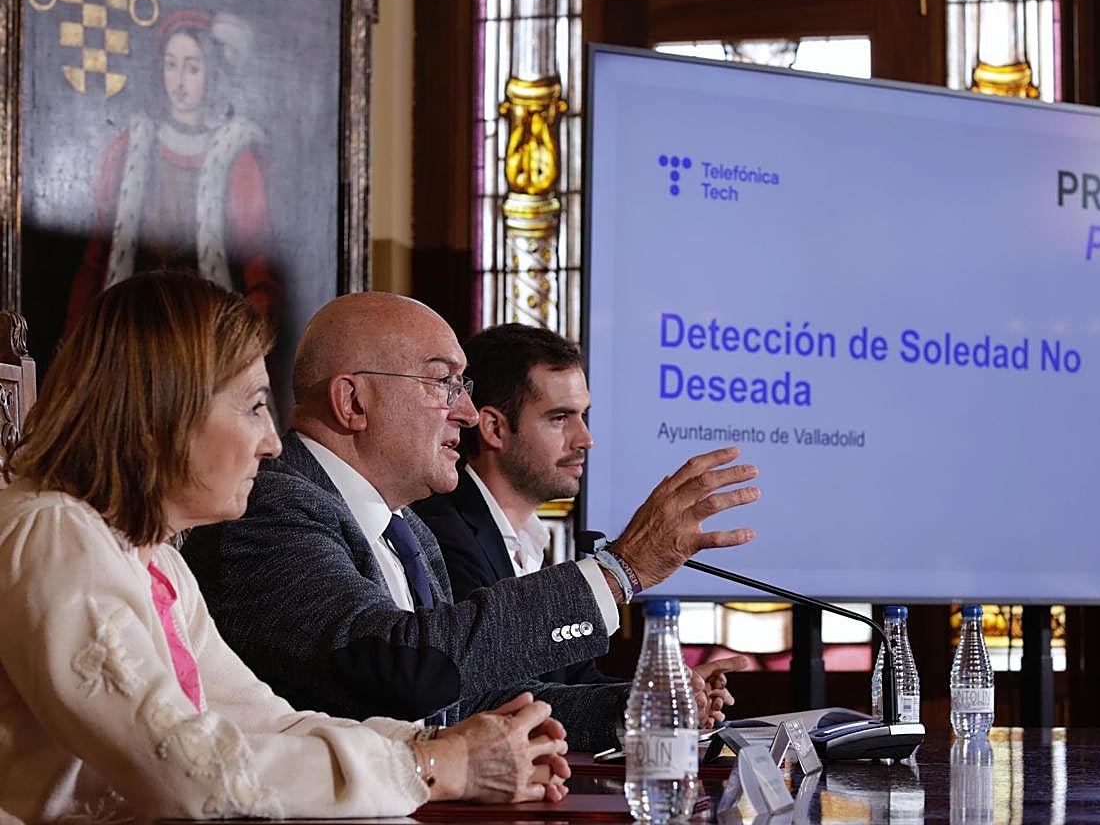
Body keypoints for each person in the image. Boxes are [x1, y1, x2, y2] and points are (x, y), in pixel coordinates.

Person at [0, 272, 568, 822]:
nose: (272, 442)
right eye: (254, 406)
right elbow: (185, 771)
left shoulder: (155, 558)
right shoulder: (57, 534)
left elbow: (269, 723)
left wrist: (444, 744)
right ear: (165, 411)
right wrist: (434, 767)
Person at [183, 292, 760, 752]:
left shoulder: (408, 530)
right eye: (444, 383)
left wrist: (636, 708)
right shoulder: (269, 508)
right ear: (353, 402)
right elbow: (403, 670)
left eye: (463, 387)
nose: (464, 411)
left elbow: (465, 702)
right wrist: (621, 570)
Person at [413, 323, 747, 707]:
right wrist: (624, 568)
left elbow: (576, 682)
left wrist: (663, 697)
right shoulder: (440, 535)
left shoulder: (530, 539)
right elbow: (489, 697)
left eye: (583, 415)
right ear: (494, 428)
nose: (585, 438)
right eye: (560, 418)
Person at [65, 8, 277, 332]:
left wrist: (243, 344)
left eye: (192, 68)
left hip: (202, 334)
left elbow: (259, 268)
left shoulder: (235, 155)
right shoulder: (129, 147)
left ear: (211, 72)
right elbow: (96, 257)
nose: (179, 82)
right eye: (171, 65)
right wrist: (77, 339)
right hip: (132, 328)